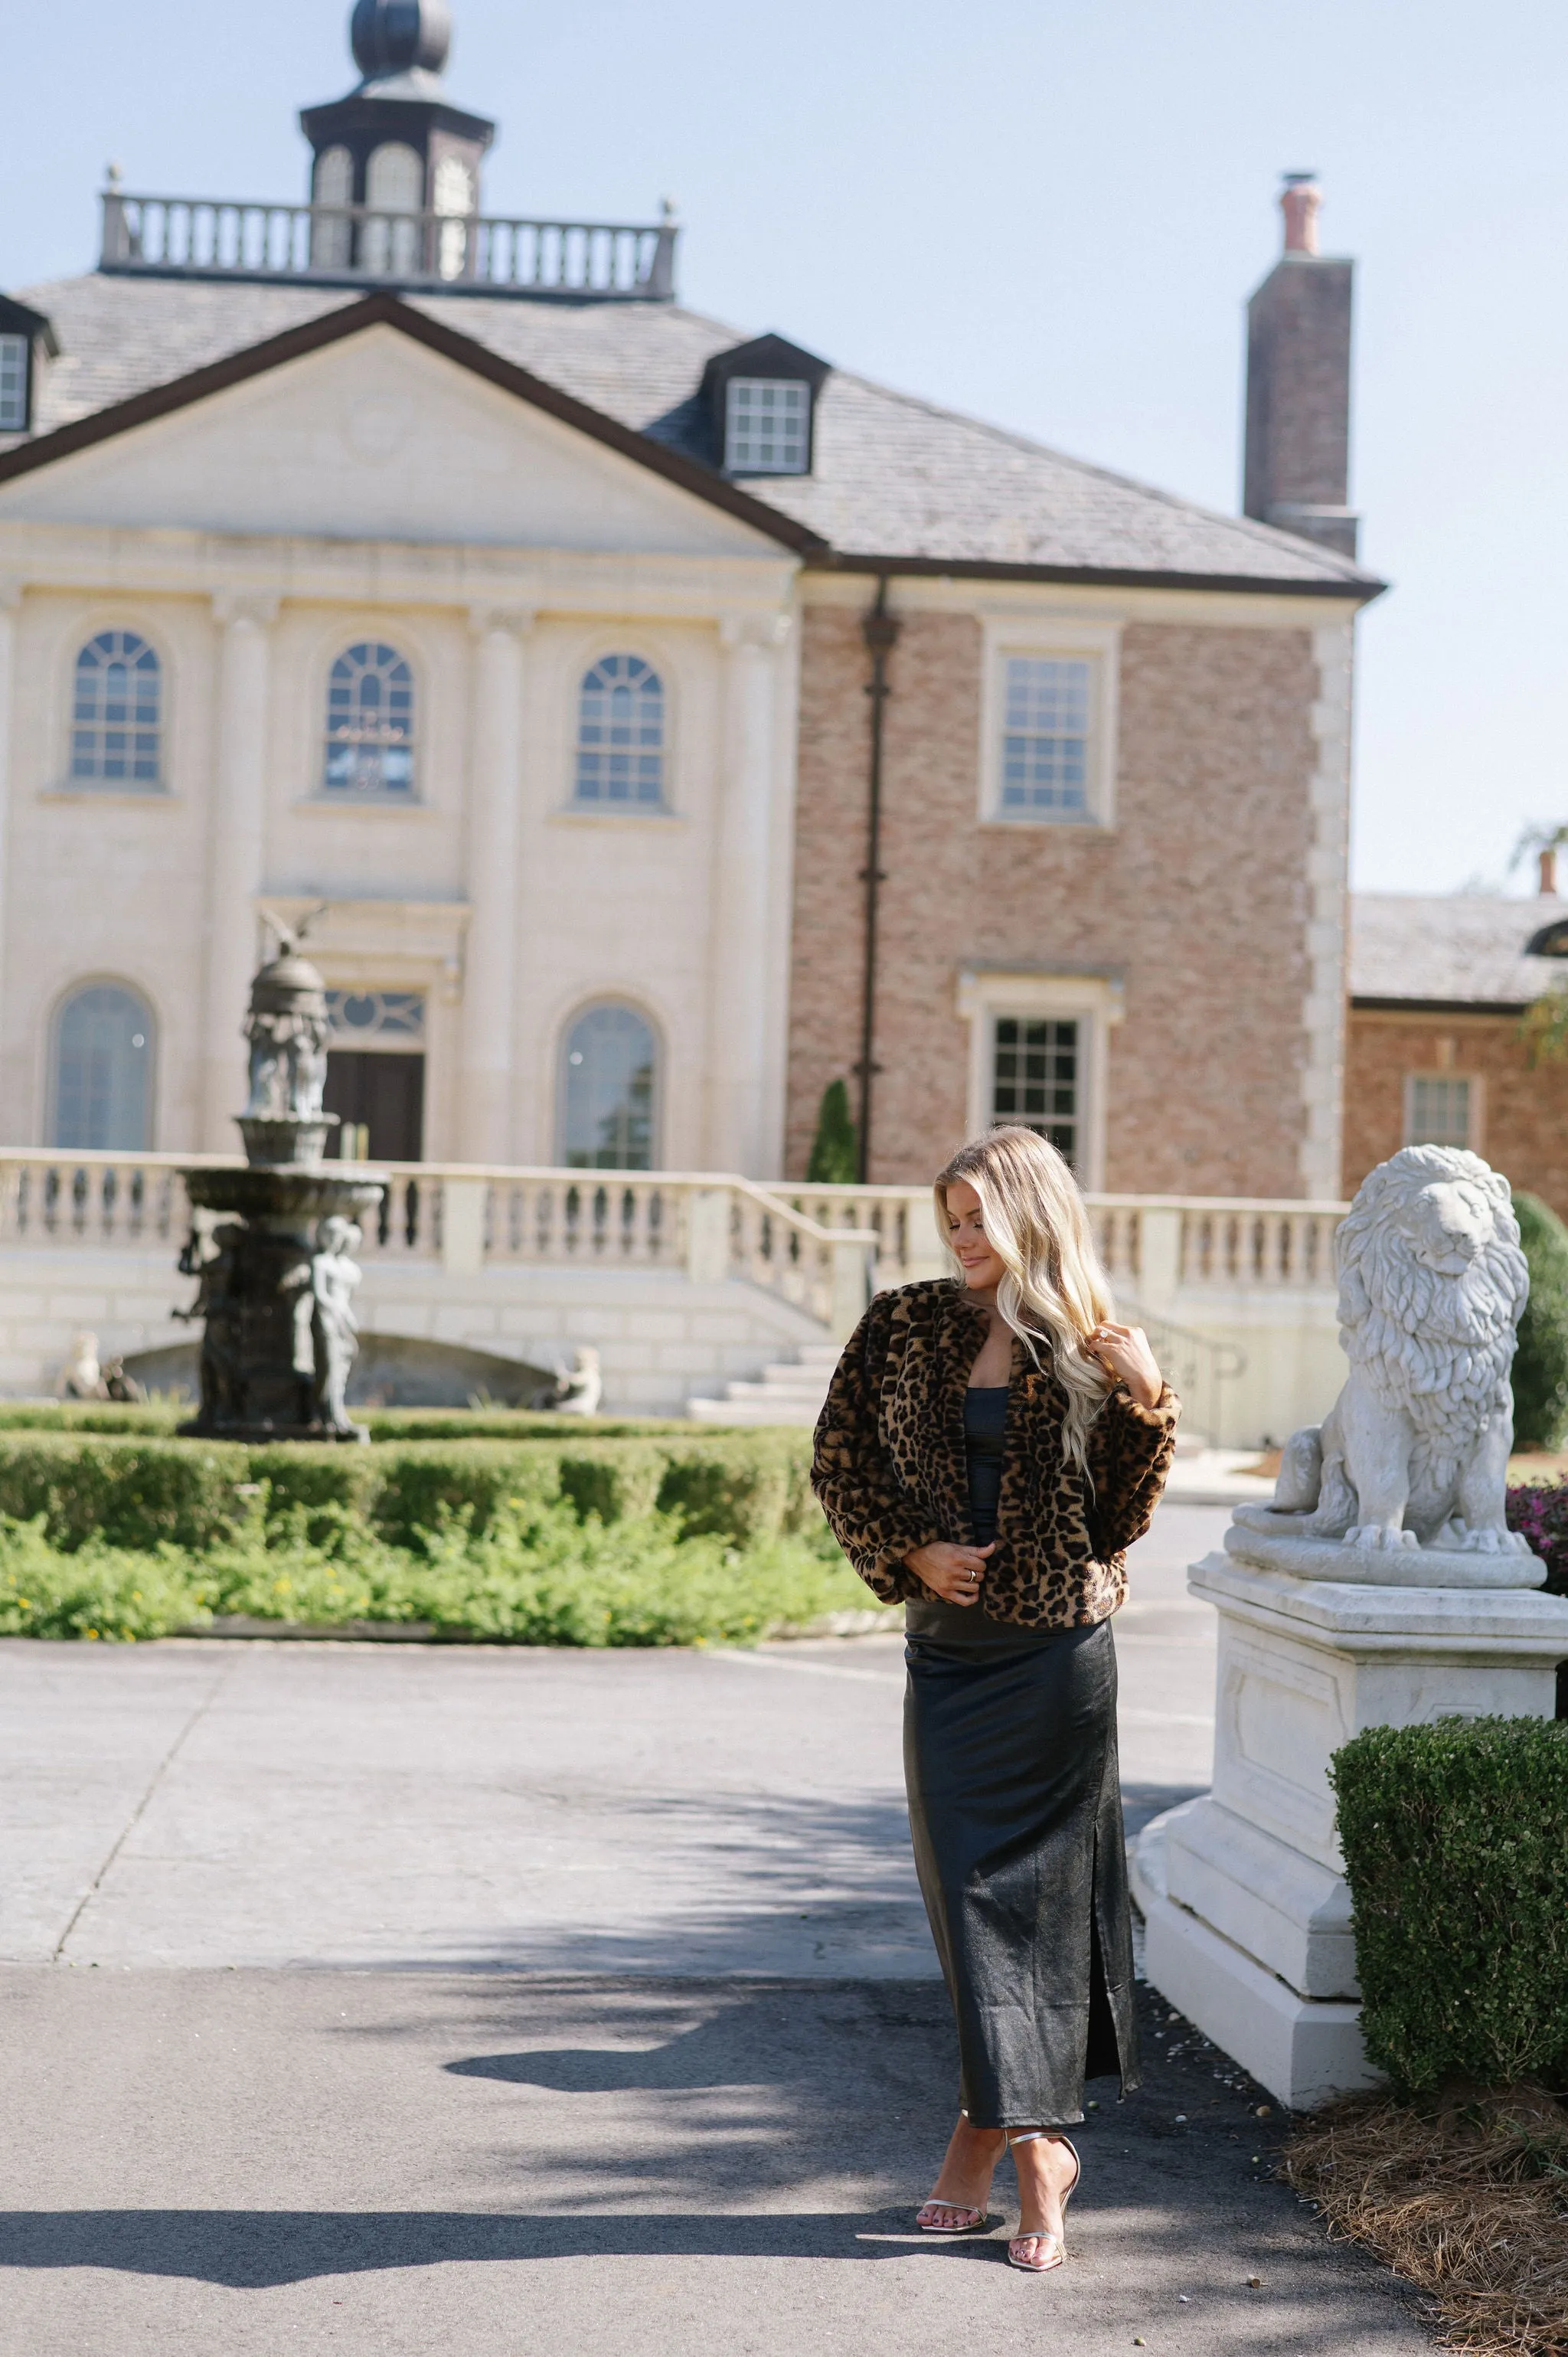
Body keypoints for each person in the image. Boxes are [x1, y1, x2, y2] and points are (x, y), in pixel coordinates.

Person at [811, 1126, 1178, 2275]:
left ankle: (1022, 2159)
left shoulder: (1086, 1342)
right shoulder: (903, 1322)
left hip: (1056, 1660)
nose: (964, 1238)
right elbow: (838, 1459)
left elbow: (1115, 1521)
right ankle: (1007, 2133)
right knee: (964, 1902)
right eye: (952, 1219)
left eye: (980, 1216)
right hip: (950, 1657)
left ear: (1031, 1214)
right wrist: (913, 1551)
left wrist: (1147, 1400)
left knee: (1039, 1913)